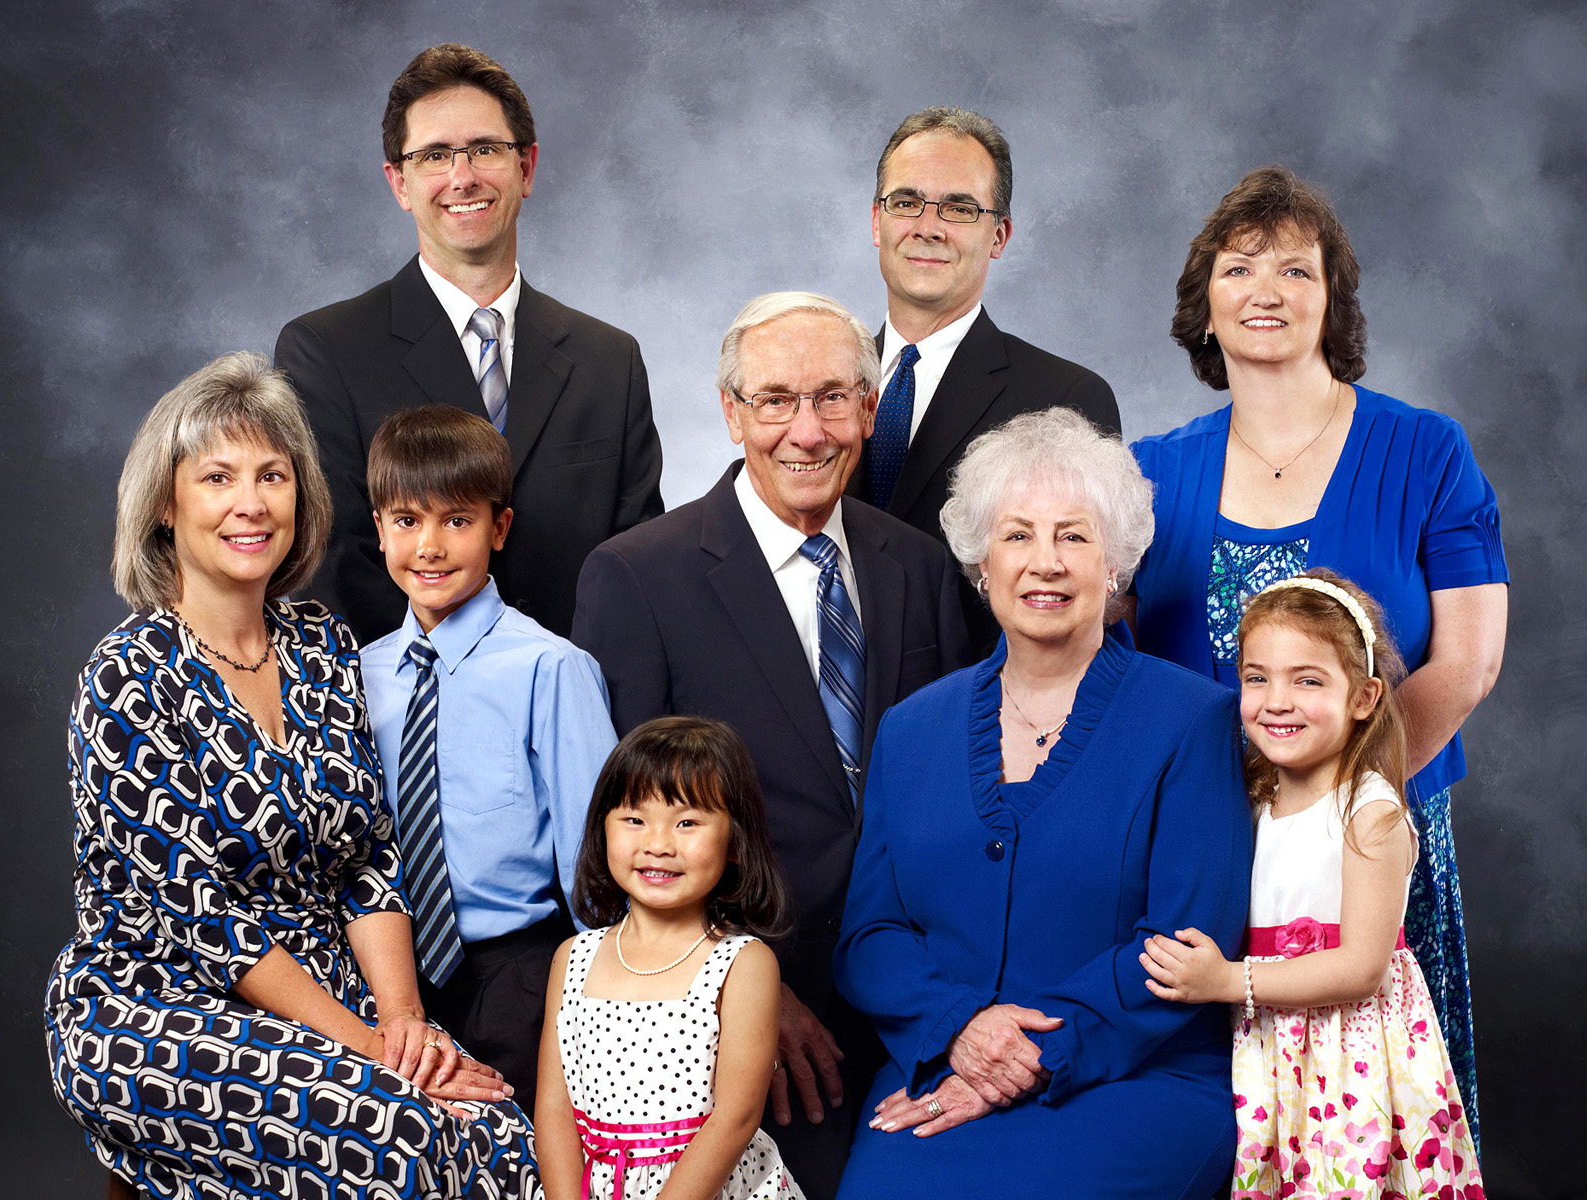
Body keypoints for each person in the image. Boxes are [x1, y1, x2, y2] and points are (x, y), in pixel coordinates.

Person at [44, 353, 538, 1199]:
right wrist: (374, 1050)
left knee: (502, 1137)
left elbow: (369, 859)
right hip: (155, 1003)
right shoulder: (127, 674)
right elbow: (200, 920)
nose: (251, 502)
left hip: (325, 988)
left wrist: (406, 1021)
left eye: (273, 475)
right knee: (401, 1133)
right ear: (167, 506)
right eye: (218, 477)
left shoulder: (320, 645)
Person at [1128, 165, 1508, 1144]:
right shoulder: (1148, 473)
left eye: (1296, 271)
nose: (1266, 291)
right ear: (1201, 307)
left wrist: (1337, 813)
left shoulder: (1424, 450)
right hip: (1205, 851)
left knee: (1367, 1124)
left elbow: (1465, 662)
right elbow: (1108, 661)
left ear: (1330, 301)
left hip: (1374, 841)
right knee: (1223, 1123)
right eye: (1239, 267)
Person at [570, 291, 969, 1200]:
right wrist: (747, 990)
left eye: (834, 398)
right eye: (776, 399)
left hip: (919, 989)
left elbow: (953, 783)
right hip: (754, 1010)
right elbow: (631, 832)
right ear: (731, 412)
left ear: (870, 410)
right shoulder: (638, 576)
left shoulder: (919, 564)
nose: (807, 429)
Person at [832, 407, 1252, 1199]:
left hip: (1132, 1081)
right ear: (982, 563)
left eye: (1074, 536)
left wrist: (1026, 1060)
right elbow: (871, 936)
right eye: (1018, 536)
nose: (1045, 563)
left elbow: (1184, 940)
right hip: (940, 1069)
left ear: (1116, 563)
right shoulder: (911, 728)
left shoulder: (1193, 719)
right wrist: (960, 1027)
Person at [275, 42, 663, 643]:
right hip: (407, 716)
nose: (463, 177)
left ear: (526, 169)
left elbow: (639, 570)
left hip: (580, 711)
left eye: (485, 149)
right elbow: (333, 568)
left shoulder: (610, 361)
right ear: (399, 183)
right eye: (433, 155)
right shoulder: (324, 352)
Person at [1141, 570, 1483, 1196]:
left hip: (1350, 1059)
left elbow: (1361, 968)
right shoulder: (1249, 799)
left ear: (1364, 697)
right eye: (1256, 677)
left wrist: (1226, 980)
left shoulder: (1368, 812)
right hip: (1272, 1046)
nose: (1276, 700)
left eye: (1308, 680)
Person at [358, 404, 620, 1107]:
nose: (431, 547)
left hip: (516, 974)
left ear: (498, 529)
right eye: (408, 521)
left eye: (458, 521)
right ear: (379, 527)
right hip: (388, 978)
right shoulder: (355, 677)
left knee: (514, 1156)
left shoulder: (549, 667)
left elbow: (596, 859)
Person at [846, 106, 1121, 651]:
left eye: (958, 208)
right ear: (877, 223)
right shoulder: (825, 392)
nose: (928, 227)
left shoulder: (1064, 398)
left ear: (999, 235)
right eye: (906, 203)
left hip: (980, 714)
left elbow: (1078, 597)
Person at [533, 716, 804, 1200]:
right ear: (603, 828)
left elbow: (736, 1118)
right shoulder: (571, 957)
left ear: (735, 843)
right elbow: (554, 1110)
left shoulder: (743, 964)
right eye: (634, 819)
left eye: (687, 822)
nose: (657, 845)